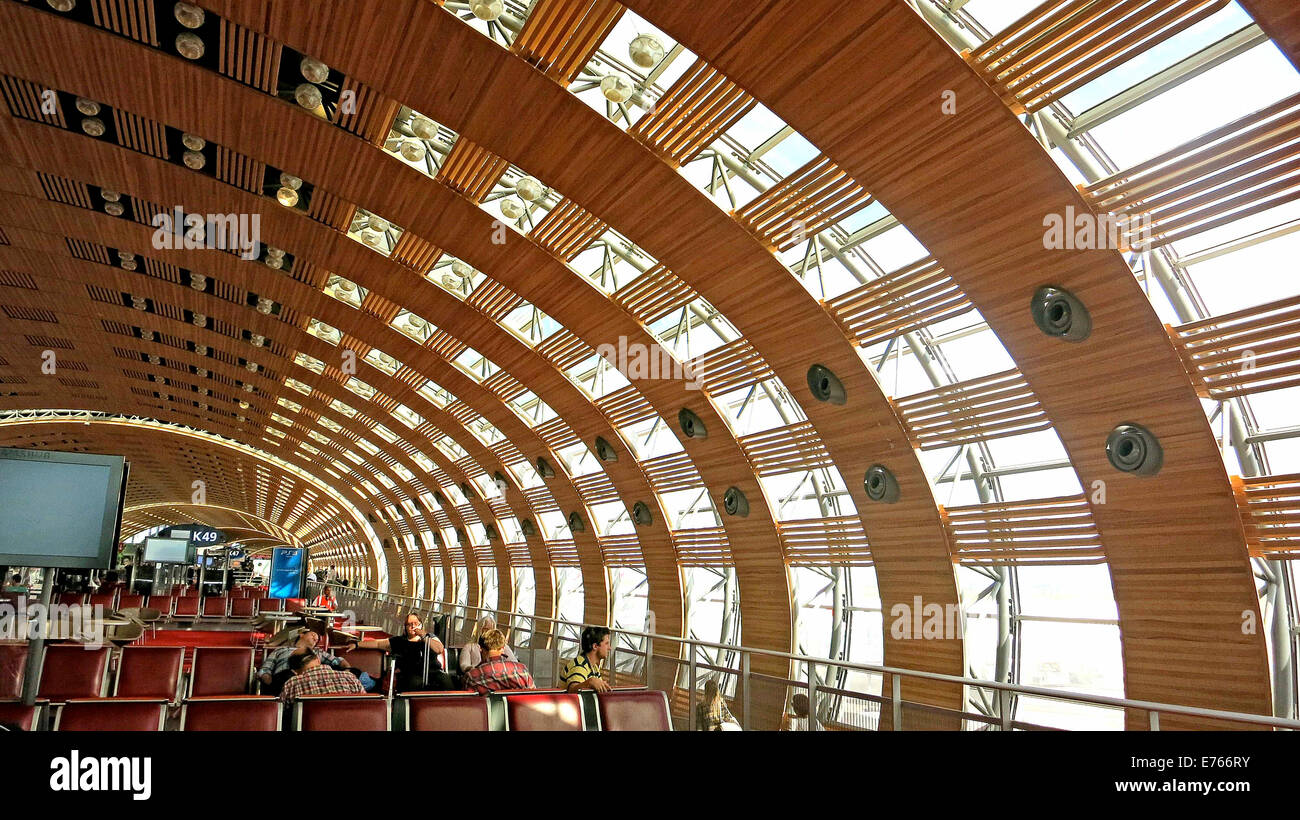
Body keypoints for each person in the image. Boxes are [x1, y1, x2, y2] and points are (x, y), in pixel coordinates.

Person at [349, 611, 454, 693]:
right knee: (414, 683)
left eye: (416, 623)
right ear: (405, 627)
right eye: (409, 624)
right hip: (411, 674)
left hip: (434, 672)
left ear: (421, 625)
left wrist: (424, 636)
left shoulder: (430, 637)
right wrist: (357, 644)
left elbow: (439, 649)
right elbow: (377, 643)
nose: (413, 626)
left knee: (446, 680)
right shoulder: (400, 641)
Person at [258, 628, 361, 695]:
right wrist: (271, 683)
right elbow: (265, 669)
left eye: (317, 639)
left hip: (314, 678)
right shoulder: (281, 650)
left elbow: (338, 661)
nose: (315, 638)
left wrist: (348, 670)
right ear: (302, 634)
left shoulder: (317, 652)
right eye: (313, 634)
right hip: (283, 679)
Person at [463, 629, 534, 694]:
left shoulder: (472, 676)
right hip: (521, 706)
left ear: (481, 649)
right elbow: (533, 693)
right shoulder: (521, 669)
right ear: (503, 648)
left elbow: (468, 703)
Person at [279, 649, 364, 702]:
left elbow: (282, 714)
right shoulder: (349, 677)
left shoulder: (291, 684)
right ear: (318, 659)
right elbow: (366, 703)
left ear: (294, 671)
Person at [560, 626, 612, 693]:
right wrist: (589, 682)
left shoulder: (594, 667)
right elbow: (572, 690)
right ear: (595, 646)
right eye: (606, 643)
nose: (609, 648)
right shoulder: (579, 665)